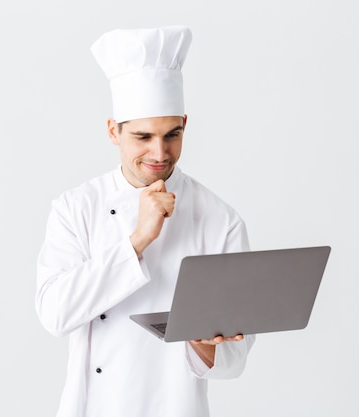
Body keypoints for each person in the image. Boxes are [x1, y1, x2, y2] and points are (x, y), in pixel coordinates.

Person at [36, 25, 255, 417]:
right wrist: (137, 240)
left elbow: (235, 361)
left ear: (185, 124)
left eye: (172, 134)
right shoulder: (76, 207)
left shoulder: (221, 220)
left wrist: (206, 343)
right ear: (112, 131)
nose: (160, 152)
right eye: (142, 137)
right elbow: (55, 315)